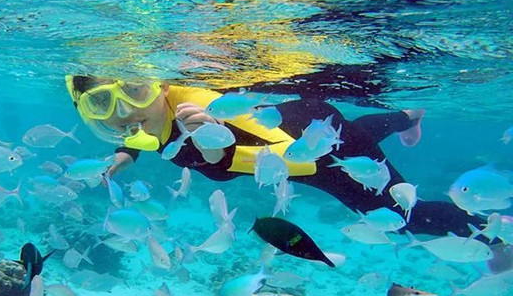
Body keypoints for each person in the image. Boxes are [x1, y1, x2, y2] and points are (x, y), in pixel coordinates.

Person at [65, 75, 482, 236]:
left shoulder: (206, 109)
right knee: (355, 135)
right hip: (315, 128)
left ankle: (490, 229)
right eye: (101, 103)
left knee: (405, 218)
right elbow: (147, 132)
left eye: (135, 90)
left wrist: (219, 150)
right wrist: (127, 152)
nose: (126, 112)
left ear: (162, 86)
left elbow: (293, 158)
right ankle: (407, 116)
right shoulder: (146, 118)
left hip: (312, 148)